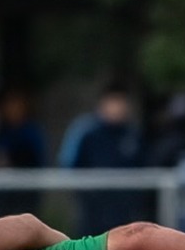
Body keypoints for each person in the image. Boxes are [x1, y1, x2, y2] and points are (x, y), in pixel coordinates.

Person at [58, 80, 151, 234]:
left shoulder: (133, 134)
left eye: (121, 102)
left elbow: (145, 170)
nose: (117, 108)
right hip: (91, 215)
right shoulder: (85, 131)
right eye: (114, 102)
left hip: (125, 216)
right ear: (103, 103)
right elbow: (68, 165)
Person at [0, 87, 47, 169]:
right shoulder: (2, 133)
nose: (11, 108)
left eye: (14, 103)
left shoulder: (32, 132)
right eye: (7, 103)